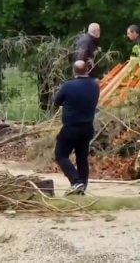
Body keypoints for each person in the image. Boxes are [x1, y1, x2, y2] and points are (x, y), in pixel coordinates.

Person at [53, 60, 100, 196]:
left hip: (71, 127)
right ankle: (82, 187)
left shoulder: (68, 86)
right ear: (87, 70)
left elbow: (57, 101)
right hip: (87, 127)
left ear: (74, 71)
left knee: (61, 155)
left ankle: (76, 181)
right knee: (82, 157)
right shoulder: (94, 85)